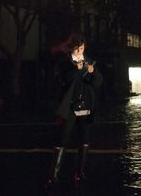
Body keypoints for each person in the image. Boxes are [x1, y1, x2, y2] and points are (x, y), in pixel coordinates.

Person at [47, 33, 103, 187]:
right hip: (70, 107)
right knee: (62, 139)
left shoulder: (89, 61)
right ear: (72, 49)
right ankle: (53, 176)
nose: (80, 52)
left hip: (86, 106)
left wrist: (93, 72)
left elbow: (98, 82)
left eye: (82, 48)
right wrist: (77, 70)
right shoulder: (64, 63)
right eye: (78, 49)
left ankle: (80, 173)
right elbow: (61, 81)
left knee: (84, 140)